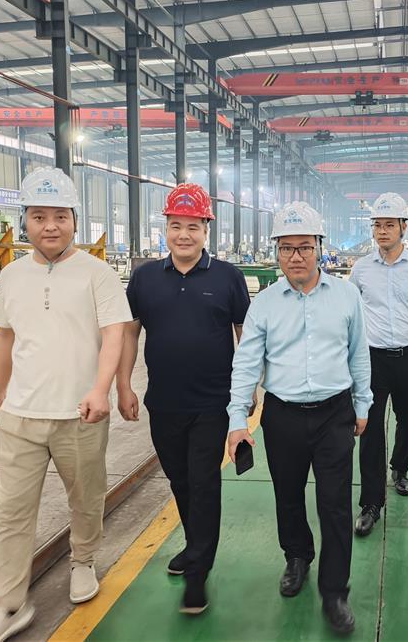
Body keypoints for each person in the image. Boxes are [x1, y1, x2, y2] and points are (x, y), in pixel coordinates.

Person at [0, 167, 131, 642]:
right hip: (21, 414)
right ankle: (9, 603)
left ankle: (83, 561)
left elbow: (115, 335)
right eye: (39, 217)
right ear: (25, 221)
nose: (50, 226)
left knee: (86, 498)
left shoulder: (98, 274)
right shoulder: (13, 275)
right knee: (11, 512)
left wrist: (101, 389)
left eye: (60, 216)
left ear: (75, 219)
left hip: (79, 415)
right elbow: (5, 337)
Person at [226, 201, 372, 635]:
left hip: (334, 414)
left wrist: (362, 404)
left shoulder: (346, 296)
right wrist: (237, 419)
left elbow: (359, 354)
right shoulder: (265, 304)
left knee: (334, 503)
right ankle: (297, 556)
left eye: (304, 247)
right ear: (277, 251)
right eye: (286, 248)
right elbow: (246, 362)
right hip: (283, 415)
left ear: (319, 248)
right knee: (287, 494)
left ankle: (335, 591)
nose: (295, 256)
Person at [116, 183, 250, 615]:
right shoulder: (145, 278)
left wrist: (246, 393)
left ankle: (198, 573)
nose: (184, 235)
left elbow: (244, 337)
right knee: (180, 481)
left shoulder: (228, 277)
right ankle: (196, 547)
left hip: (213, 402)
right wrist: (123, 384)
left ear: (206, 230)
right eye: (176, 226)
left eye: (193, 227)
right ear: (166, 229)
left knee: (204, 483)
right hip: (164, 402)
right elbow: (130, 333)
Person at [349, 193, 408, 537]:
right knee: (369, 428)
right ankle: (370, 503)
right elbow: (350, 313)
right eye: (377, 225)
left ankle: (400, 468)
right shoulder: (361, 269)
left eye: (389, 224)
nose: (382, 231)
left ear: (404, 227)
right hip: (371, 359)